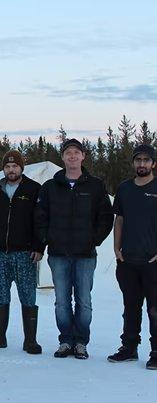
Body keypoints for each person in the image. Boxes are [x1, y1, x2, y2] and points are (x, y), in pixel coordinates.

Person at [36, 138, 113, 359]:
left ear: (83, 156)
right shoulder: (51, 186)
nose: (72, 156)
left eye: (76, 153)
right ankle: (65, 341)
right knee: (61, 302)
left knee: (84, 301)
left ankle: (80, 342)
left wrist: (93, 240)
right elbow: (40, 217)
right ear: (62, 157)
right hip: (58, 254)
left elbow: (105, 217)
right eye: (68, 152)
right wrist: (47, 239)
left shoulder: (95, 186)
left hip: (85, 254)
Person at [0, 150, 43, 354]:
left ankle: (30, 340)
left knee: (28, 295)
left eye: (15, 166)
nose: (11, 170)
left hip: (25, 253)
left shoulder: (33, 189)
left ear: (21, 168)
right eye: (7, 167)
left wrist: (39, 247)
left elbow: (40, 221)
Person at [107, 144, 157, 370]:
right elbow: (119, 219)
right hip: (128, 260)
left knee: (154, 309)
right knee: (130, 307)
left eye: (146, 160)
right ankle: (129, 348)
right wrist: (116, 248)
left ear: (153, 164)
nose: (142, 164)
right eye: (138, 160)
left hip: (152, 261)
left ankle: (156, 352)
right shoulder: (125, 188)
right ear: (134, 163)